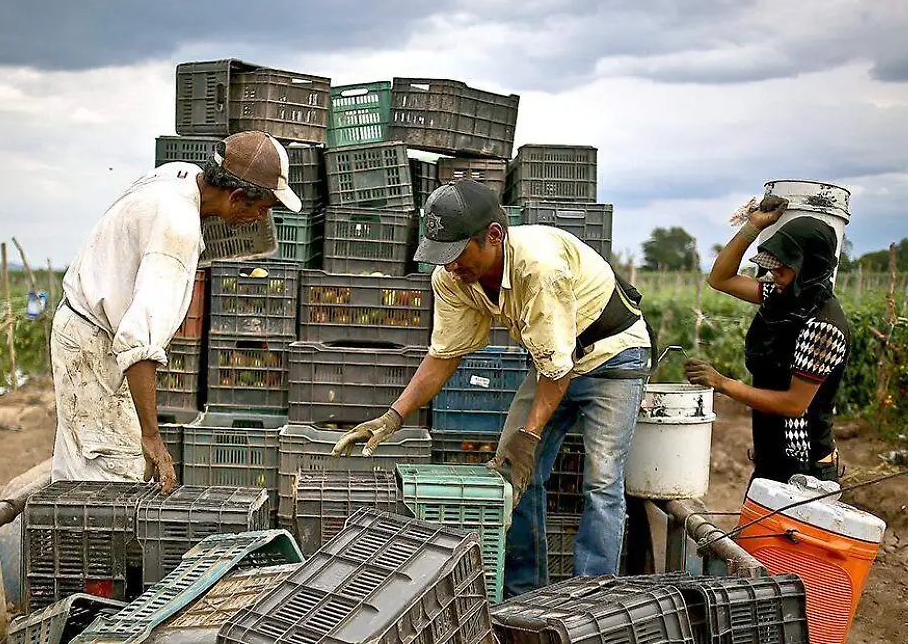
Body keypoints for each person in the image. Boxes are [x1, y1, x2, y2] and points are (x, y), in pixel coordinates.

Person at [332, 179, 654, 596]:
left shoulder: (538, 267)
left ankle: (591, 597)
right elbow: (445, 353)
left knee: (602, 481)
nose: (449, 266)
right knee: (512, 474)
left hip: (614, 356)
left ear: (494, 236)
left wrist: (531, 435)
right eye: (440, 257)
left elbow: (559, 371)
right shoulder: (452, 279)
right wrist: (393, 417)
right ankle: (525, 594)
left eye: (456, 254)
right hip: (553, 359)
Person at [50, 131, 302, 493]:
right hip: (94, 343)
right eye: (261, 208)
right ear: (235, 197)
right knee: (109, 471)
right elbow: (138, 340)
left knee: (80, 462)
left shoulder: (179, 175)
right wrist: (152, 437)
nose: (260, 219)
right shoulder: (177, 230)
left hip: (82, 323)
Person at [684, 195, 850, 484]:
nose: (775, 275)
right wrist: (753, 226)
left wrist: (724, 384)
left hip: (805, 467)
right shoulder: (785, 298)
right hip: (773, 456)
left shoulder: (824, 326)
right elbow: (720, 279)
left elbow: (794, 404)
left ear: (809, 266)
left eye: (783, 268)